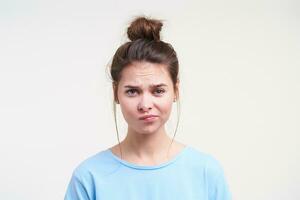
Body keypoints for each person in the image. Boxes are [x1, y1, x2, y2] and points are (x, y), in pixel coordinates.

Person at [64, 16, 232, 200]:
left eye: (158, 91)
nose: (145, 105)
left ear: (175, 90)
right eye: (132, 91)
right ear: (115, 93)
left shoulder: (206, 173)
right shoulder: (89, 178)